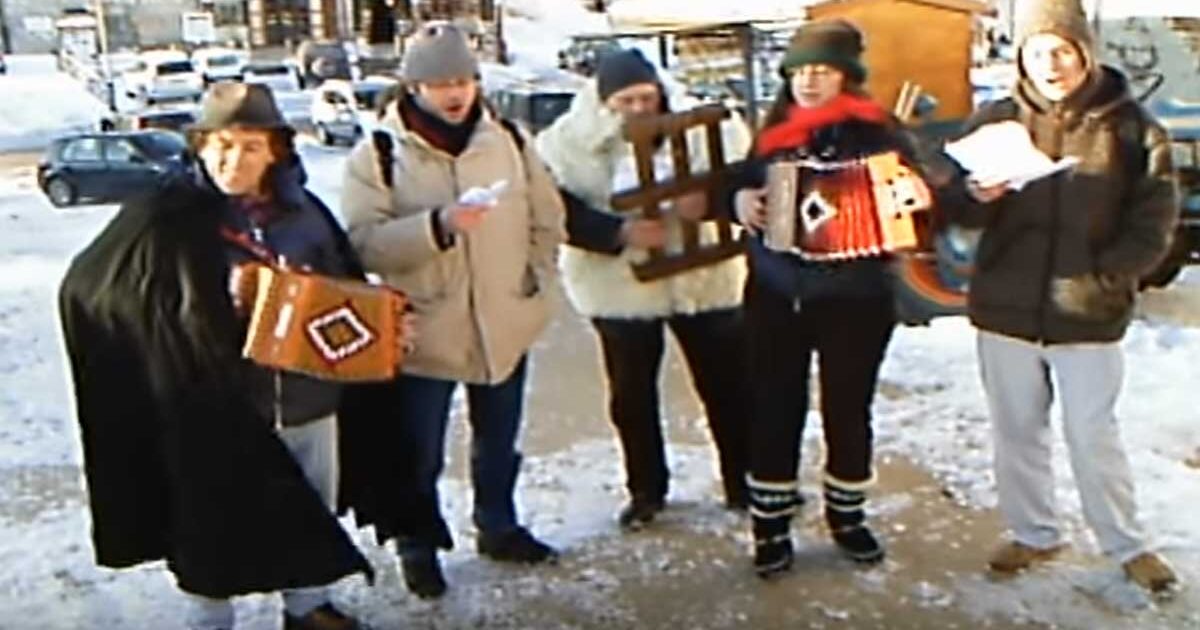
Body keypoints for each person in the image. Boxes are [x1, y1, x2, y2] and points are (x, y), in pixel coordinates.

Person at [58, 83, 384, 630]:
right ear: (201, 147)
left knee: (310, 504)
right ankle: (210, 618)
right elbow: (90, 287)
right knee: (208, 516)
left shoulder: (305, 215)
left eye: (251, 147)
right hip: (215, 403)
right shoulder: (164, 216)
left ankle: (306, 608)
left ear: (276, 151)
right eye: (223, 146)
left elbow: (346, 283)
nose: (235, 160)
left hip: (307, 394)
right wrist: (200, 310)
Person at [944, 0, 1179, 594]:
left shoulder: (1132, 128)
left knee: (1091, 434)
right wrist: (976, 194)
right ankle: (1033, 532)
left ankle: (1126, 544)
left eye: (1062, 50)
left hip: (1087, 310)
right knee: (1016, 431)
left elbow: (1155, 216)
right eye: (1037, 51)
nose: (1051, 63)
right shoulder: (996, 120)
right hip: (1005, 307)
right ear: (1020, 58)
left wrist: (1113, 274)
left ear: (1084, 54)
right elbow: (949, 206)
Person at [340, 23, 566, 600]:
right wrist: (437, 227)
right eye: (439, 81)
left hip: (504, 321)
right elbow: (362, 242)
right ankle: (418, 545)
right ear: (413, 87)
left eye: (463, 78)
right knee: (419, 452)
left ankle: (499, 527)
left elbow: (547, 215)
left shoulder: (509, 139)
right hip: (424, 331)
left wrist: (533, 278)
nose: (454, 92)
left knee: (499, 441)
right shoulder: (380, 154)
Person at [728, 19, 926, 577]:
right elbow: (735, 182)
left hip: (856, 300)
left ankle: (848, 517)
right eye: (799, 71)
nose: (809, 81)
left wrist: (911, 194)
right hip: (775, 294)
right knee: (773, 407)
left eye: (823, 70)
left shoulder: (882, 135)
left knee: (848, 409)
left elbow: (919, 194)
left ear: (847, 76)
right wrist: (740, 199)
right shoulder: (772, 133)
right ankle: (770, 526)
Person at [534, 48, 752, 529]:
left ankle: (744, 481)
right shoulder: (565, 142)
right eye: (625, 101)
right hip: (620, 284)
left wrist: (713, 200)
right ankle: (646, 491)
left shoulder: (706, 126)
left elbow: (742, 173)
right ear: (604, 98)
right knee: (632, 394)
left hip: (703, 277)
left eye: (645, 97)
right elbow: (552, 207)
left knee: (727, 384)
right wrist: (616, 233)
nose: (637, 108)